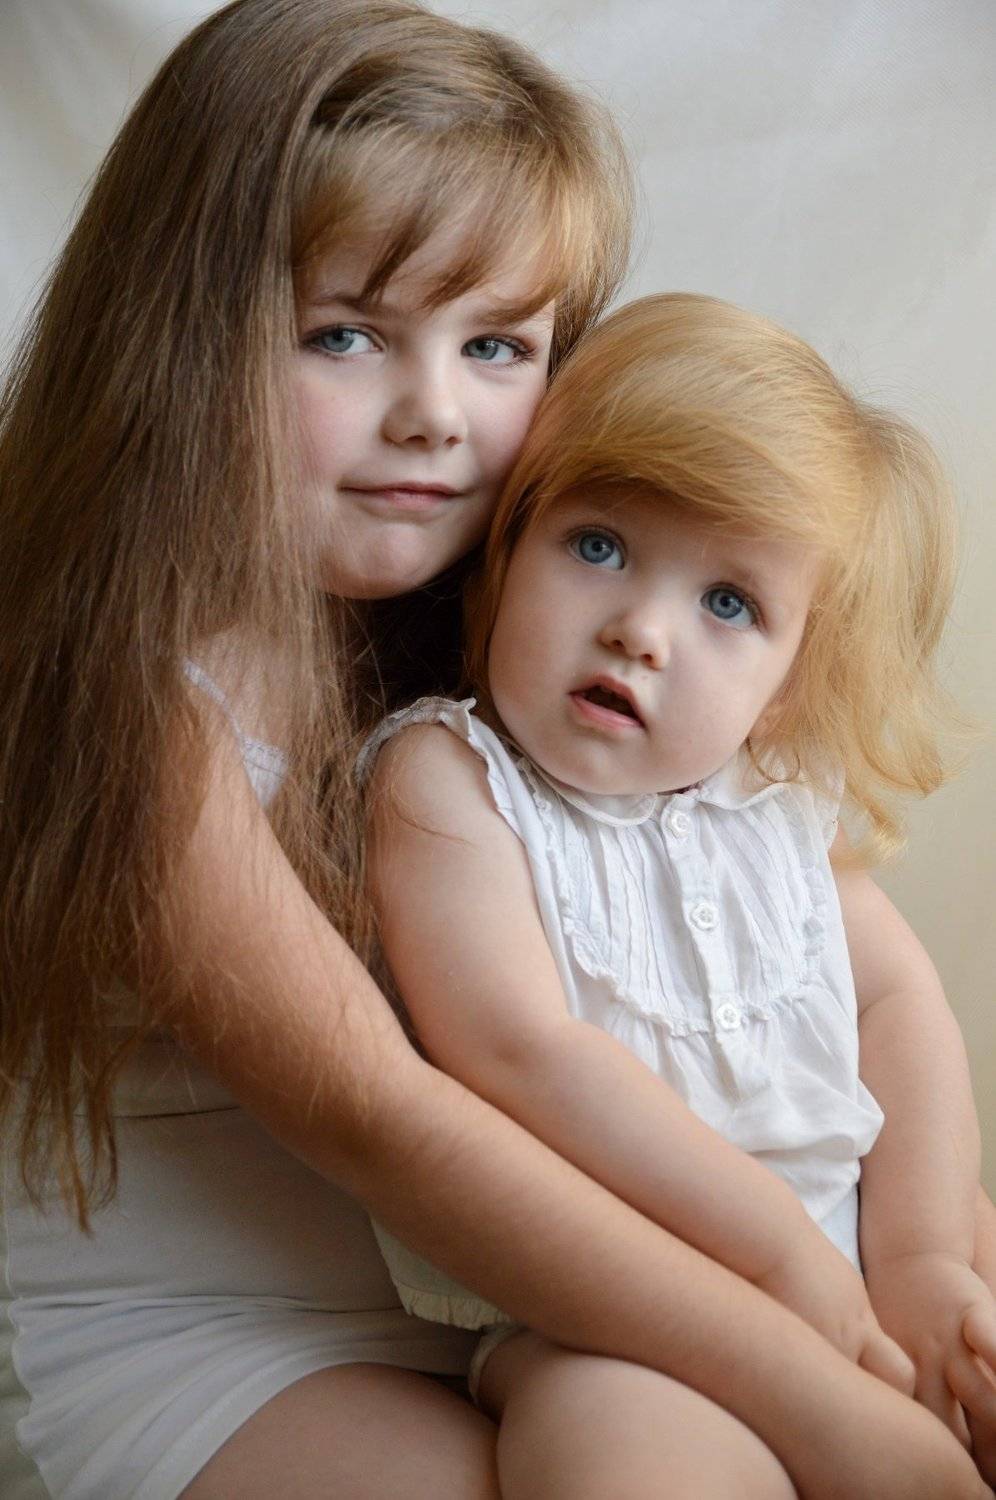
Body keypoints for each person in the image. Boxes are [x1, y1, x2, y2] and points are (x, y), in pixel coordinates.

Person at [0, 0, 992, 1495]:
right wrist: (826, 1380)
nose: (435, 415)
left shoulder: (530, 634)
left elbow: (827, 990)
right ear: (181, 337)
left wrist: (929, 1271)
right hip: (236, 1330)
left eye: (499, 346)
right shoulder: (137, 704)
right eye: (345, 334)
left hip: (546, 1292)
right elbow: (384, 1120)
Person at [364, 292, 996, 1497]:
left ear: (788, 683)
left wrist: (921, 1255)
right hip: (605, 1316)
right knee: (631, 1458)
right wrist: (779, 1252)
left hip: (858, 1255)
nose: (642, 632)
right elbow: (519, 1052)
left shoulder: (776, 809)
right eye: (599, 546)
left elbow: (901, 1006)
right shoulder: (448, 783)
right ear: (504, 557)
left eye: (729, 604)